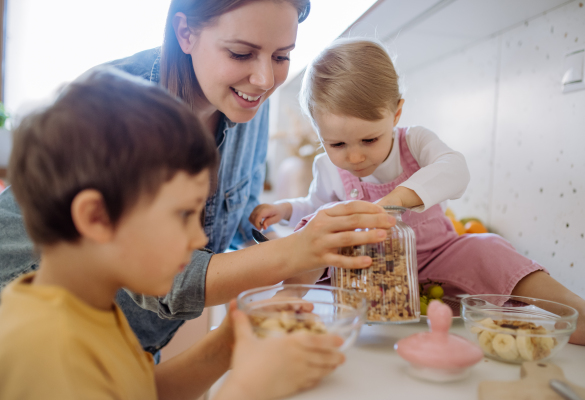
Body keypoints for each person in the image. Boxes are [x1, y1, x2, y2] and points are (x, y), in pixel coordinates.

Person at [0, 0, 395, 357]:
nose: (263, 79)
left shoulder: (246, 103)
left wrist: (298, 247)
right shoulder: (118, 108)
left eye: (281, 56)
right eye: (241, 53)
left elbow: (239, 218)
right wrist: (293, 252)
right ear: (185, 33)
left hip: (131, 347)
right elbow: (168, 278)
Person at [0, 69, 346, 400]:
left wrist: (228, 342)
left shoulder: (87, 308)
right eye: (182, 214)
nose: (199, 240)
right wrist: (246, 389)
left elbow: (141, 392)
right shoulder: (45, 347)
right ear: (96, 217)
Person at [249, 38, 585, 346]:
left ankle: (584, 318)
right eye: (337, 143)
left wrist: (396, 200)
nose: (354, 156)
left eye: (369, 139)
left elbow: (455, 170)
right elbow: (317, 203)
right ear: (318, 130)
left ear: (395, 112)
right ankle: (286, 302)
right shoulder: (327, 167)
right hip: (368, 270)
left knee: (489, 249)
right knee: (316, 226)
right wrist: (286, 208)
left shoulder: (414, 141)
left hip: (438, 256)